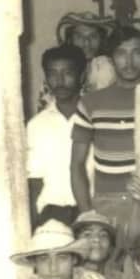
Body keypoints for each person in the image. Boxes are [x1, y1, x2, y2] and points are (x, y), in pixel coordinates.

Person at [70, 26, 140, 246]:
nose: (129, 61)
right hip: (105, 207)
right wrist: (87, 214)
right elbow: (76, 164)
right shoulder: (91, 103)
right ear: (112, 59)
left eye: (137, 53)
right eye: (122, 53)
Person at [27, 44, 88, 226]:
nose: (60, 81)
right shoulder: (36, 125)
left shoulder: (95, 117)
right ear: (46, 79)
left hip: (90, 211)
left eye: (67, 73)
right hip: (50, 215)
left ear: (82, 76)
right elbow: (34, 182)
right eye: (53, 74)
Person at [72, 210, 128, 279]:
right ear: (74, 243)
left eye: (103, 235)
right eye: (88, 234)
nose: (97, 239)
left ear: (110, 247)